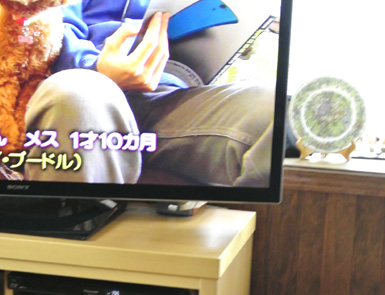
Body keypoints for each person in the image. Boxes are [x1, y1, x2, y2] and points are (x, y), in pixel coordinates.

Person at [24, 2, 275, 187]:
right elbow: (44, 26)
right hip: (89, 85)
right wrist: (97, 68)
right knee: (78, 93)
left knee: (274, 109)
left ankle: (240, 237)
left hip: (169, 98)